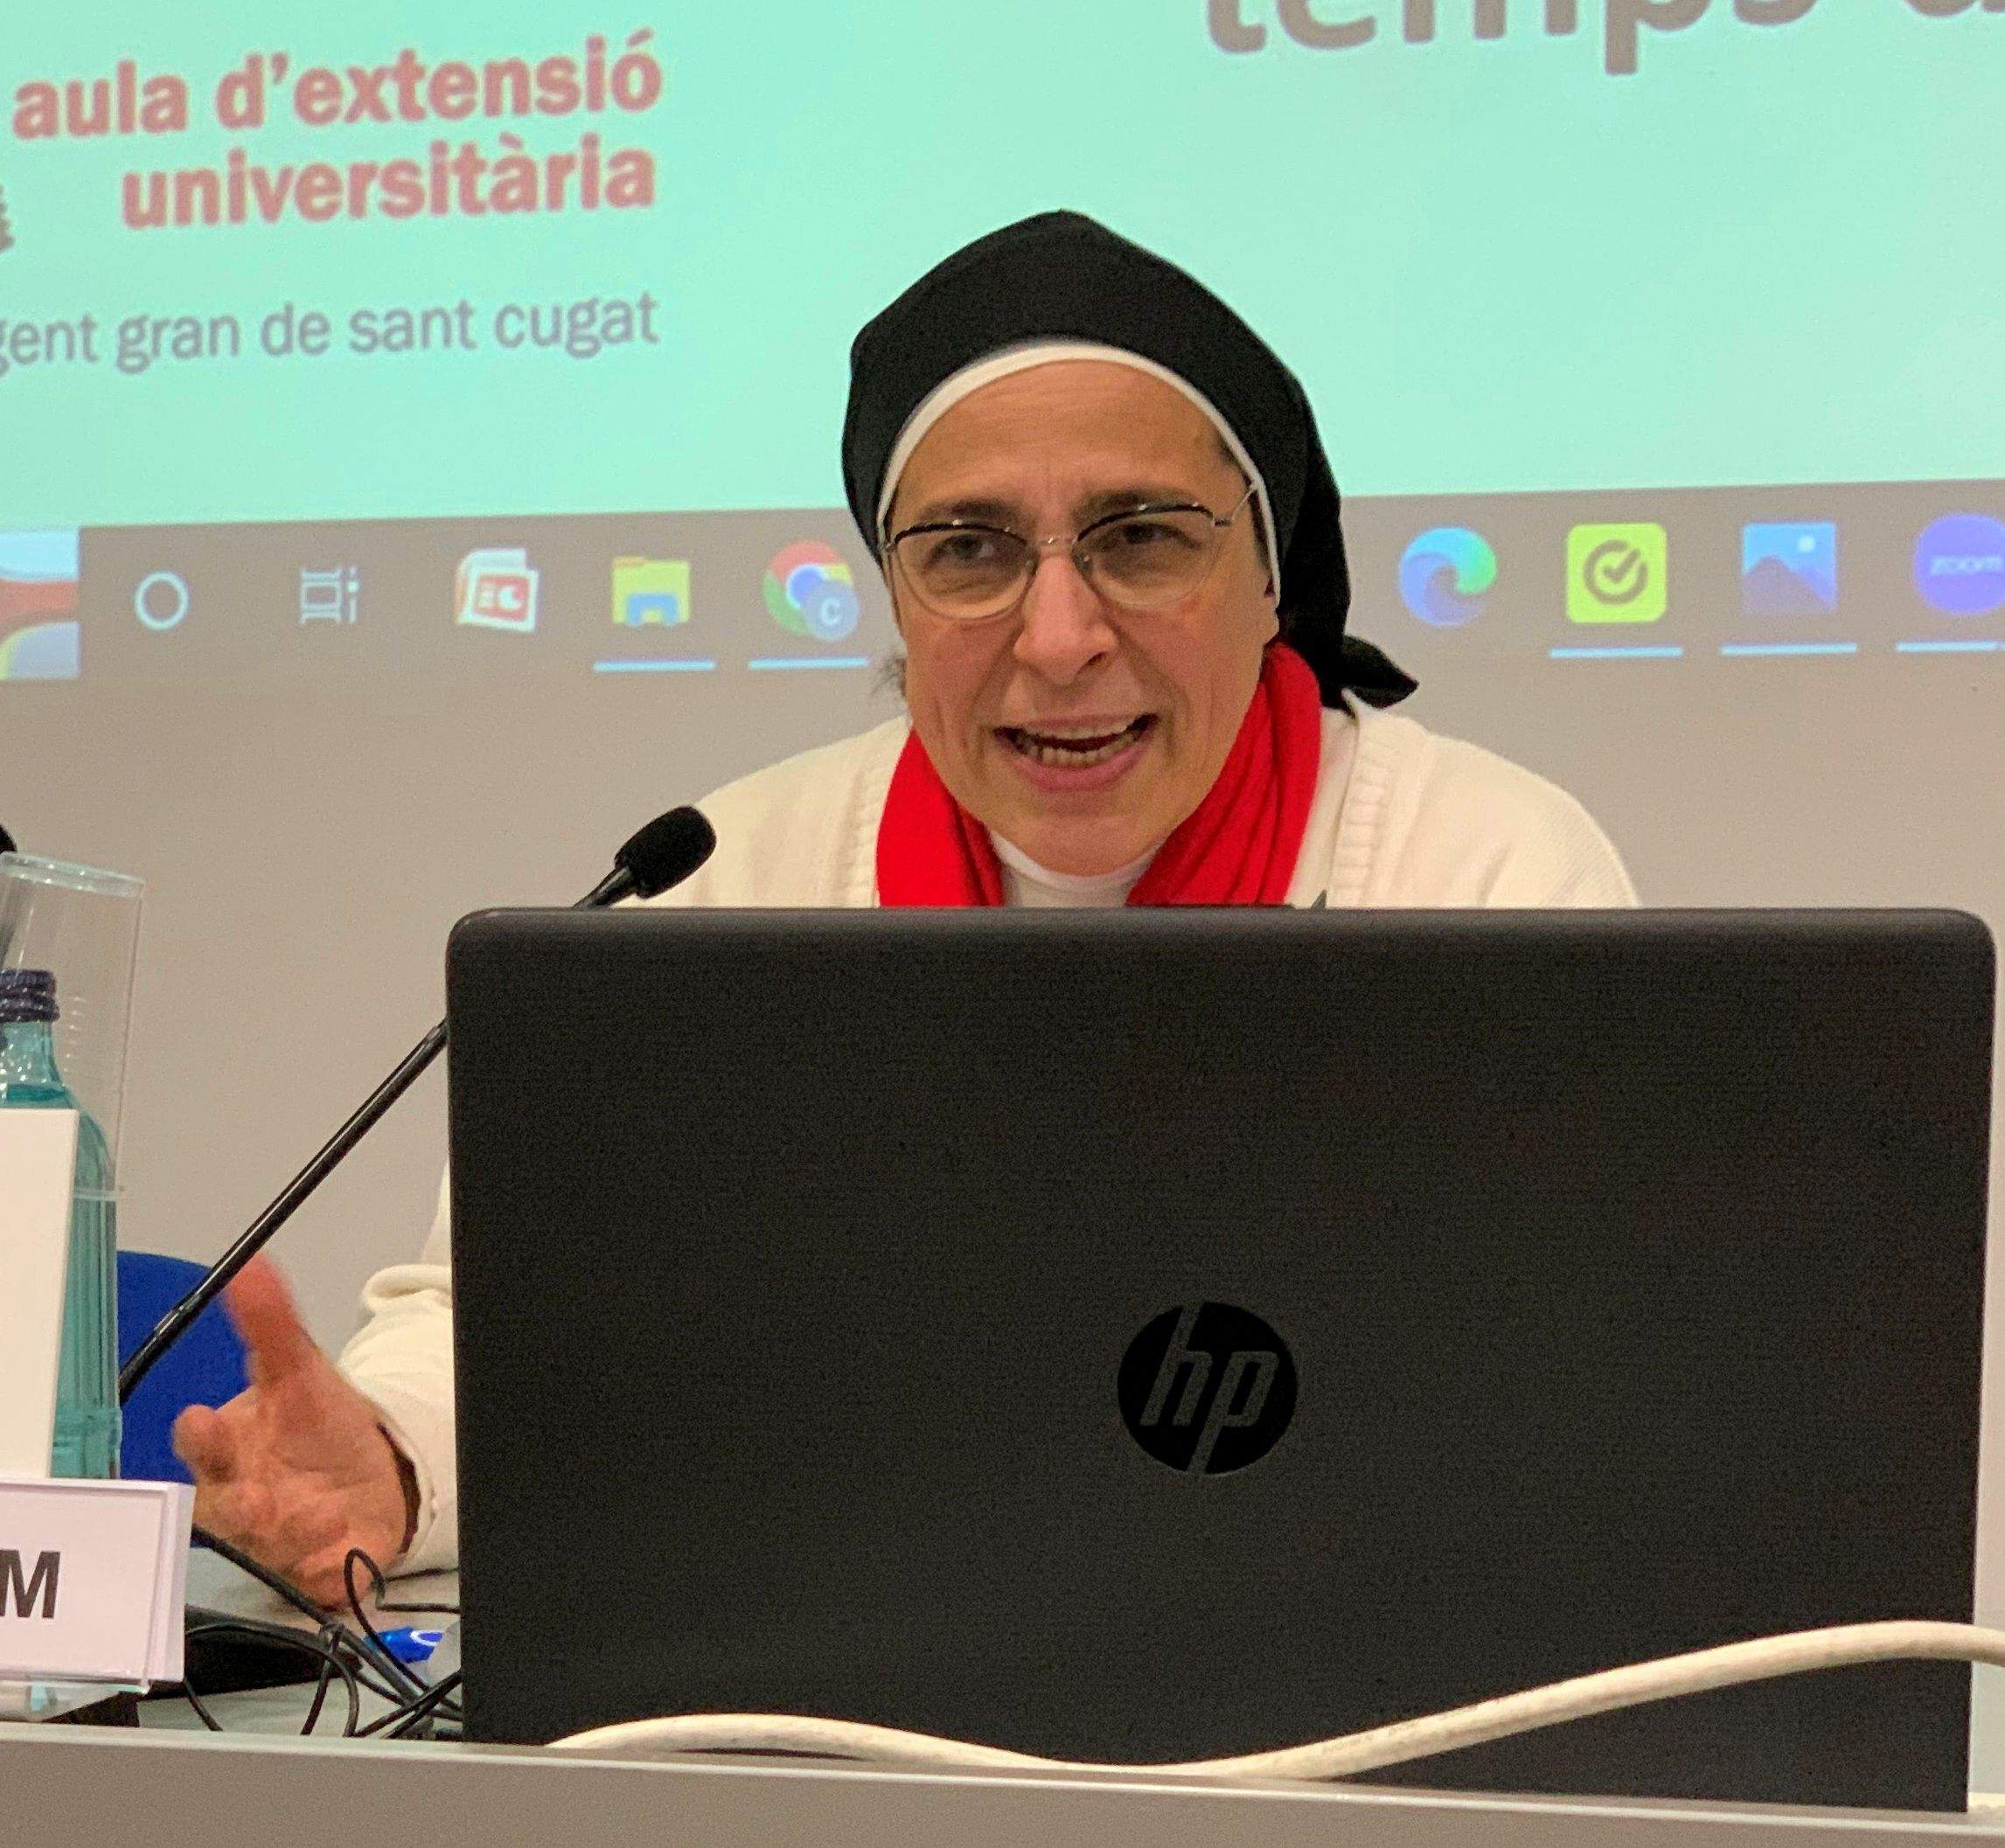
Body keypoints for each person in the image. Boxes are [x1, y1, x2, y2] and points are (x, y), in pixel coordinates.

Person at [174, 212, 1636, 1602]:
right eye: (970, 551)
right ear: (894, 594)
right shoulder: (724, 880)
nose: (1058, 639)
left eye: (1142, 536)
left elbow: (1594, 1383)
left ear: (1270, 573)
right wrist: (393, 1463)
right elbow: (497, 1329)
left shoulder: (1485, 868)